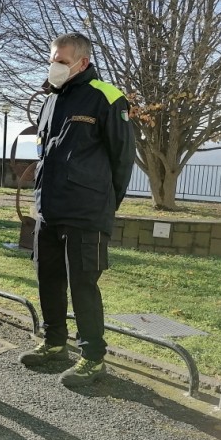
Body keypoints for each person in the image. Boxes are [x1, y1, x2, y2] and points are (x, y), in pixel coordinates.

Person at [18, 32, 135, 387]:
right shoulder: (50, 100)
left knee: (83, 285)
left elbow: (122, 160)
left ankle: (93, 358)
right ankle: (54, 343)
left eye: (62, 61)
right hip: (49, 211)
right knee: (48, 278)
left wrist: (104, 204)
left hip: (86, 213)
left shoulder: (107, 97)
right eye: (52, 60)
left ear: (82, 63)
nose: (54, 66)